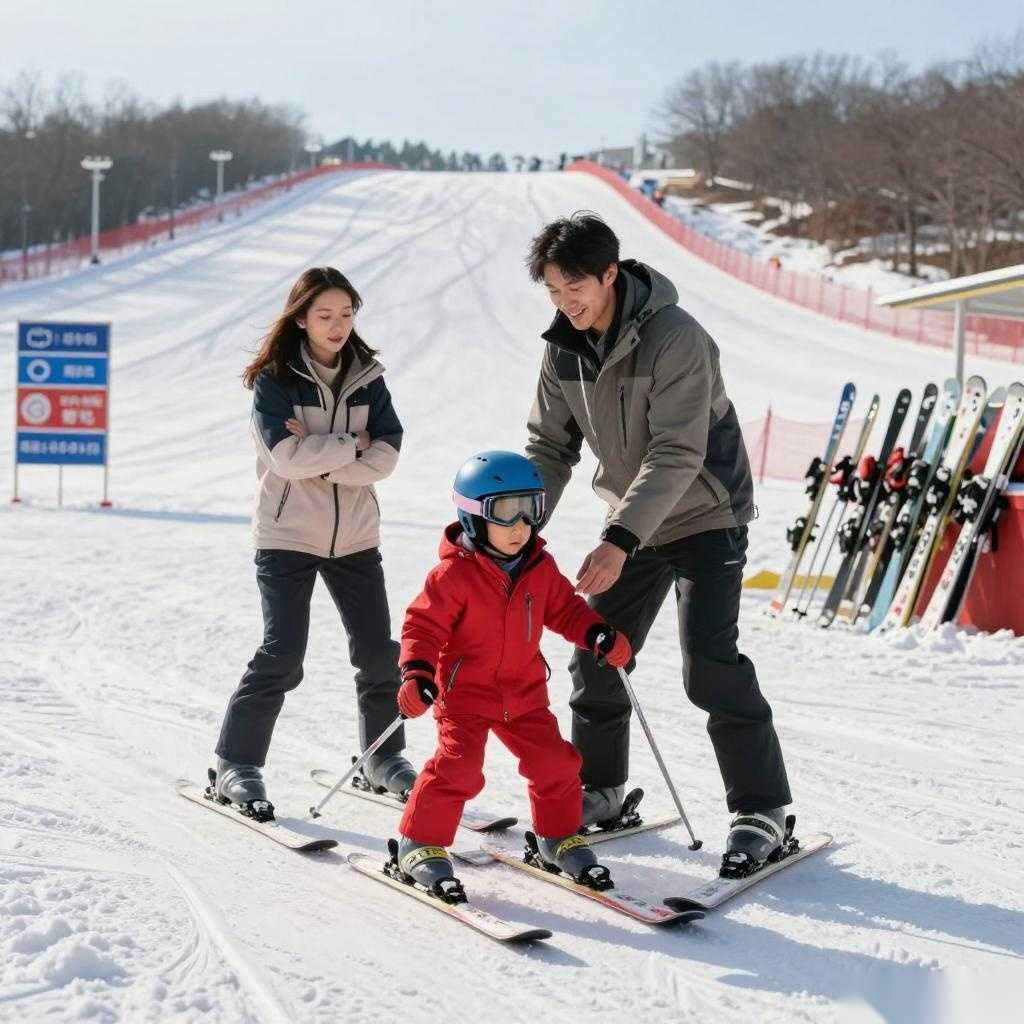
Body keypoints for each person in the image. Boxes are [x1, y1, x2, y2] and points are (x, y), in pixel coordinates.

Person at [524, 212, 793, 875]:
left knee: (709, 664)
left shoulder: (677, 338)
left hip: (706, 512)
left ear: (610, 274)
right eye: (553, 291)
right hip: (634, 519)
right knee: (597, 653)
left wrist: (618, 539)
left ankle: (762, 810)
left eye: (575, 288)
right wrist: (519, 524)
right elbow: (549, 447)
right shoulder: (563, 349)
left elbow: (677, 452)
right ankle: (602, 789)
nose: (565, 303)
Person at [212, 266, 414, 817]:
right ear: (300, 319)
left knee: (378, 654)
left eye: (346, 314)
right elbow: (284, 457)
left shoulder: (368, 378)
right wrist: (353, 443)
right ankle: (236, 764)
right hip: (287, 535)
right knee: (283, 654)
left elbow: (388, 454)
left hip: (356, 536)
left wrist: (322, 458)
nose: (337, 325)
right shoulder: (276, 381)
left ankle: (383, 757)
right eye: (324, 315)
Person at [392, 451, 633, 891]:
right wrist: (417, 672)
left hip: (523, 694)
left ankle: (557, 836)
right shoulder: (452, 576)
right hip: (465, 696)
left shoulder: (539, 567)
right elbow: (422, 627)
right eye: (505, 512)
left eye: (530, 509)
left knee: (556, 763)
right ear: (472, 517)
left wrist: (596, 633)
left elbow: (565, 609)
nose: (521, 525)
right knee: (459, 769)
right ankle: (418, 843)